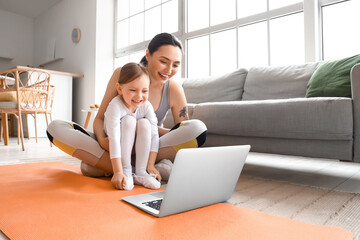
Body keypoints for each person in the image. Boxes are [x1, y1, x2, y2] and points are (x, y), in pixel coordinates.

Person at [46, 32, 207, 180]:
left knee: (197, 128)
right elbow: (100, 118)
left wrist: (154, 130)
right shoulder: (122, 74)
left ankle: (115, 166)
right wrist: (102, 140)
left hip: (149, 145)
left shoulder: (173, 89)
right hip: (113, 141)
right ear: (148, 54)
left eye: (176, 65)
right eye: (163, 61)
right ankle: (139, 170)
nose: (169, 70)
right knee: (56, 128)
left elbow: (183, 129)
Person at [104, 62, 160, 190]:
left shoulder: (146, 106)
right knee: (129, 120)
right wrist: (118, 172)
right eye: (133, 90)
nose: (139, 96)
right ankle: (127, 170)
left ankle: (141, 172)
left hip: (135, 138)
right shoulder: (115, 105)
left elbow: (154, 135)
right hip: (116, 137)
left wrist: (150, 165)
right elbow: (114, 140)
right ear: (119, 89)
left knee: (145, 123)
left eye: (145, 91)